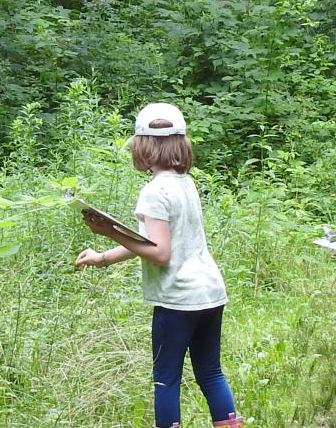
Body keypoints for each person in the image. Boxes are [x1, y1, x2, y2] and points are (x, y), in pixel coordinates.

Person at [75, 103, 245, 428]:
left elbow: (159, 253)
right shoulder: (185, 183)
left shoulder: (154, 192)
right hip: (209, 292)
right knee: (210, 373)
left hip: (177, 299)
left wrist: (107, 229)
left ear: (142, 146)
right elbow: (150, 243)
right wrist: (103, 257)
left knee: (165, 380)